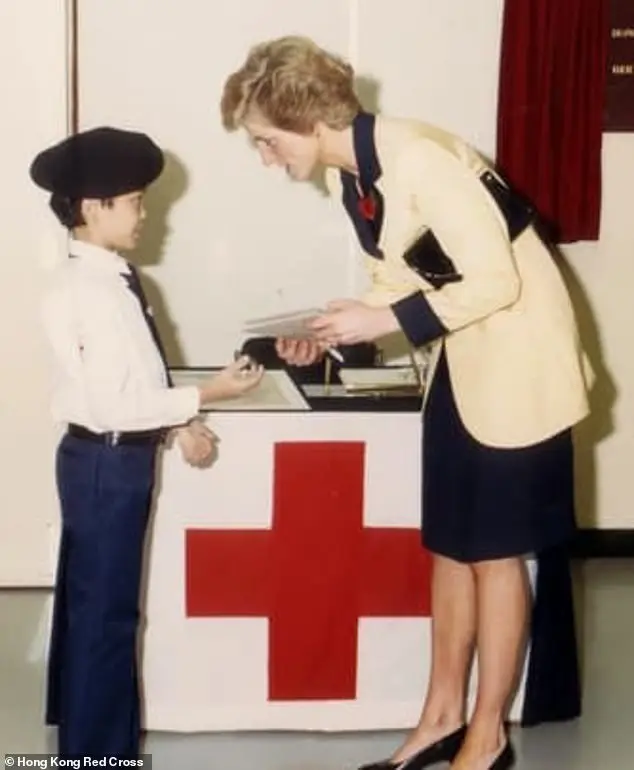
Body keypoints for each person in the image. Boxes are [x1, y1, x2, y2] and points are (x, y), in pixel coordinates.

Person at [220, 36, 593, 770]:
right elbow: (404, 280)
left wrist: (381, 321)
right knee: (451, 547)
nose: (266, 158)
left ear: (308, 122)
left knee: (494, 556)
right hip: (466, 365)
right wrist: (335, 334)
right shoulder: (356, 175)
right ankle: (440, 720)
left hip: (520, 370)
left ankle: (486, 741)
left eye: (266, 142)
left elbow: (494, 282)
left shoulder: (420, 158)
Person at [30, 126, 264, 758]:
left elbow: (137, 378)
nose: (144, 212)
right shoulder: (88, 291)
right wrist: (207, 397)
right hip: (107, 462)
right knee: (106, 622)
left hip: (109, 457)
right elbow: (113, 403)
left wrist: (179, 423)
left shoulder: (114, 280)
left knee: (94, 615)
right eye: (133, 200)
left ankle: (88, 746)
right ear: (91, 208)